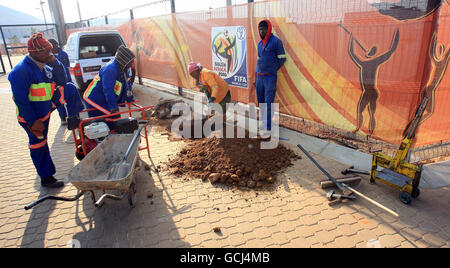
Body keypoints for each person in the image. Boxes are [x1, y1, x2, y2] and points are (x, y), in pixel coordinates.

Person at [8, 33, 84, 188]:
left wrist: (55, 62)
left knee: (69, 88)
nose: (50, 54)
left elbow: (62, 81)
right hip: (33, 116)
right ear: (34, 53)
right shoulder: (20, 72)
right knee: (39, 144)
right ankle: (46, 178)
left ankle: (74, 117)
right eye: (47, 52)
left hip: (46, 107)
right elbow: (21, 101)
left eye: (51, 51)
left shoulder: (45, 65)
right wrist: (33, 122)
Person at [348, 29, 399, 135]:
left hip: (372, 91)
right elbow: (351, 52)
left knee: (371, 113)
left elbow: (390, 52)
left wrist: (396, 38)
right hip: (367, 92)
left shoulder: (373, 62)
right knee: (361, 111)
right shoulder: (363, 63)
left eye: (372, 51)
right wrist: (351, 38)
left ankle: (371, 133)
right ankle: (359, 128)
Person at [83, 46, 136, 122]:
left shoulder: (124, 69)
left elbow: (127, 85)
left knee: (115, 120)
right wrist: (113, 107)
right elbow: (108, 90)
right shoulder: (109, 70)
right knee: (104, 122)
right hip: (95, 98)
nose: (132, 64)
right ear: (124, 61)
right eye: (131, 62)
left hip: (105, 97)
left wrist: (130, 99)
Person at [255, 19, 286, 137]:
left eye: (263, 29)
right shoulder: (259, 44)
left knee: (268, 103)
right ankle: (263, 122)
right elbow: (258, 60)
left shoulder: (276, 42)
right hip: (259, 78)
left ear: (268, 29)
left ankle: (268, 127)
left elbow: (282, 58)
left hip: (270, 78)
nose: (261, 31)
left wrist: (272, 69)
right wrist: (256, 76)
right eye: (260, 29)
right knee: (261, 102)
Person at [48, 38, 77, 125]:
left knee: (70, 98)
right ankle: (63, 117)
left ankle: (73, 116)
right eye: (54, 45)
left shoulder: (63, 54)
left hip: (67, 79)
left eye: (56, 44)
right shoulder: (49, 57)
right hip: (57, 81)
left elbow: (67, 66)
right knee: (60, 100)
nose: (56, 46)